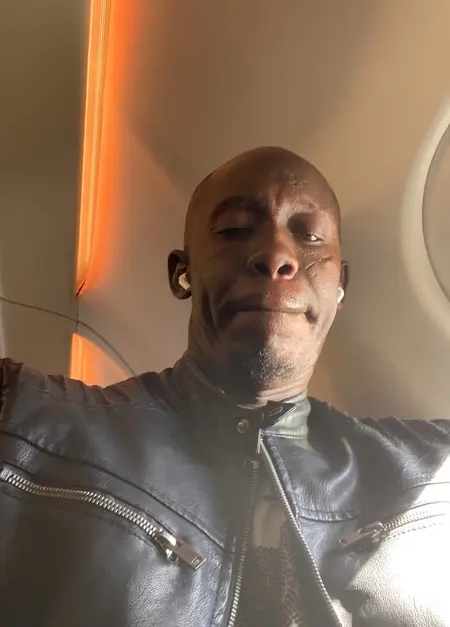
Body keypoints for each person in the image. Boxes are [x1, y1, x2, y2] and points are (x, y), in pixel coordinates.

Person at [1, 146, 450, 627]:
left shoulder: (432, 470)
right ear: (182, 274)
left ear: (339, 286)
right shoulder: (26, 419)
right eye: (234, 229)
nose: (277, 256)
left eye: (309, 235)